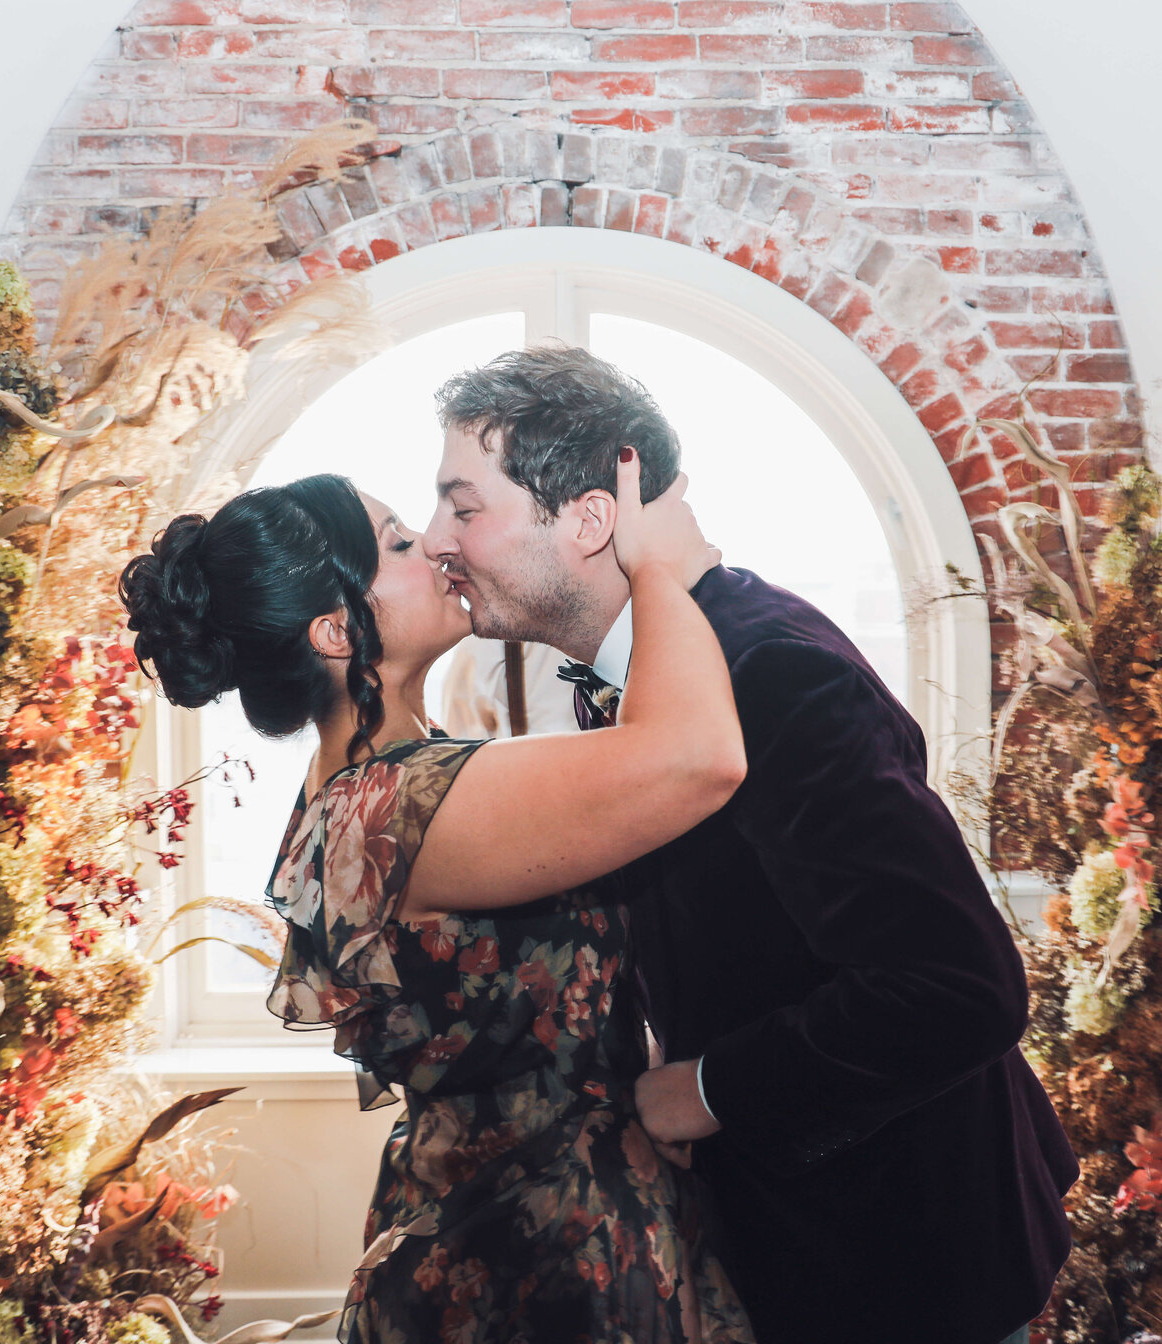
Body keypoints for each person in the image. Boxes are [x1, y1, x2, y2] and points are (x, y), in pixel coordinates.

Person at [423, 344, 1080, 1344]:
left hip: (903, 1266)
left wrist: (707, 1089)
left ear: (590, 520)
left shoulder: (770, 674)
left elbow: (958, 986)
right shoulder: (674, 671)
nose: (440, 541)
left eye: (463, 507)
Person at [118, 466, 755, 1344]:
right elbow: (699, 758)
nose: (440, 545)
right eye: (400, 546)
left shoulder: (369, 788)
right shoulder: (405, 806)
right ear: (338, 630)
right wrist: (652, 561)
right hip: (539, 1261)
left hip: (512, 1219)